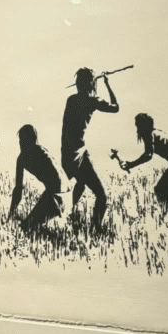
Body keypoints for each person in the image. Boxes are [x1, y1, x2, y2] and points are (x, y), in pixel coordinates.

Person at [60, 67, 119, 230]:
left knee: (80, 182)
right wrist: (107, 83)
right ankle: (96, 228)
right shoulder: (92, 101)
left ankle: (68, 212)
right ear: (91, 84)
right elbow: (115, 107)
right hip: (78, 153)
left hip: (67, 152)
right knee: (101, 195)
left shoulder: (71, 100)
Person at [116, 113, 168, 203]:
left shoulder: (150, 134)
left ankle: (167, 210)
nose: (137, 130)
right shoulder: (155, 133)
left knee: (161, 193)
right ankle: (167, 210)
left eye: (138, 126)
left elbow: (148, 155)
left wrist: (130, 165)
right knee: (162, 193)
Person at [9, 125, 64, 233]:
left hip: (54, 197)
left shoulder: (23, 158)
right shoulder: (43, 150)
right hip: (66, 196)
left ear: (31, 140)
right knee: (33, 227)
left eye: (23, 140)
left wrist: (11, 213)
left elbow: (18, 189)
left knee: (26, 228)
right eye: (21, 141)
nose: (21, 144)